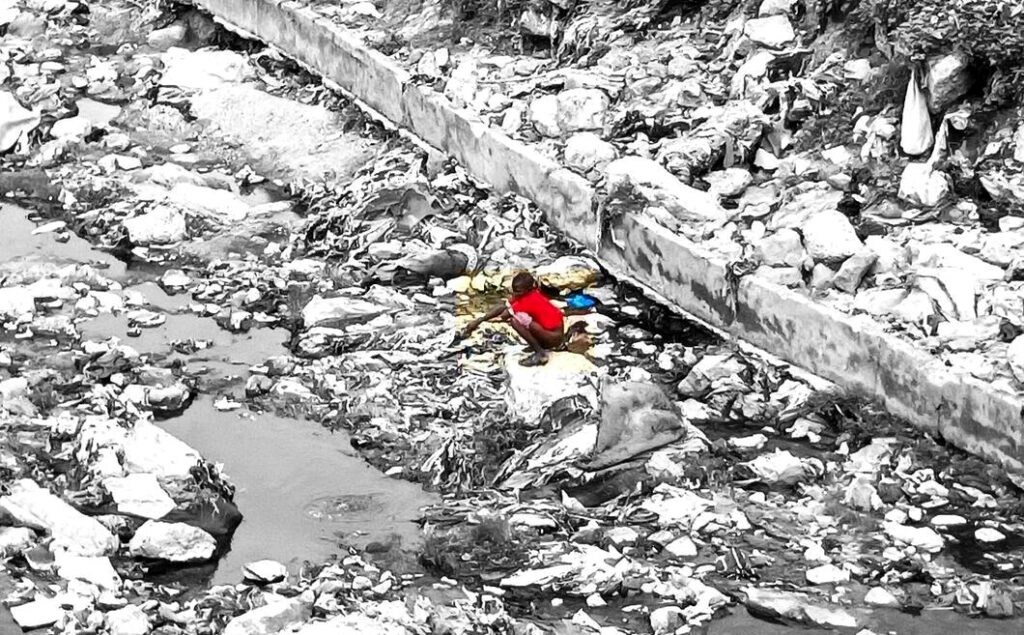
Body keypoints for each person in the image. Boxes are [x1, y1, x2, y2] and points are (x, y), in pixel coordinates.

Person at [463, 271, 564, 366]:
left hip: (554, 337)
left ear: (527, 289)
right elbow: (504, 305)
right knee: (522, 317)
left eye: (518, 291)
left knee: (515, 321)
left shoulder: (528, 300)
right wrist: (480, 319)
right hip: (551, 332)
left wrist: (479, 322)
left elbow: (504, 315)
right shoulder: (529, 293)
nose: (515, 294)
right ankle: (540, 346)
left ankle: (540, 353)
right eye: (514, 290)